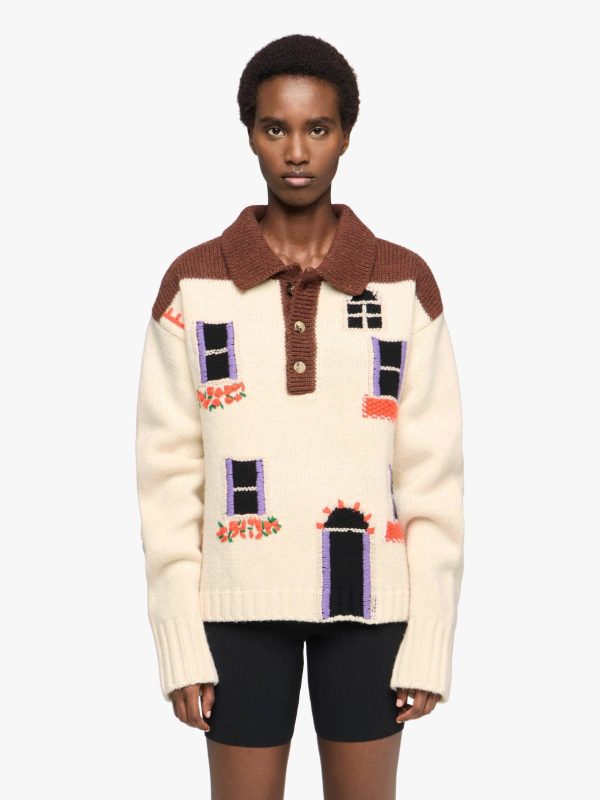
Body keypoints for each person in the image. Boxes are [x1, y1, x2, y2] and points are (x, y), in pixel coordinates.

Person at [135, 33, 465, 800]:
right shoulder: (194, 285)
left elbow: (433, 478)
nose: (295, 151)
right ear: (249, 133)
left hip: (373, 611)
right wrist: (181, 642)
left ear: (346, 134)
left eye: (317, 128)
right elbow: (167, 478)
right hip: (235, 609)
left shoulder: (404, 285)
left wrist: (430, 638)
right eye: (274, 128)